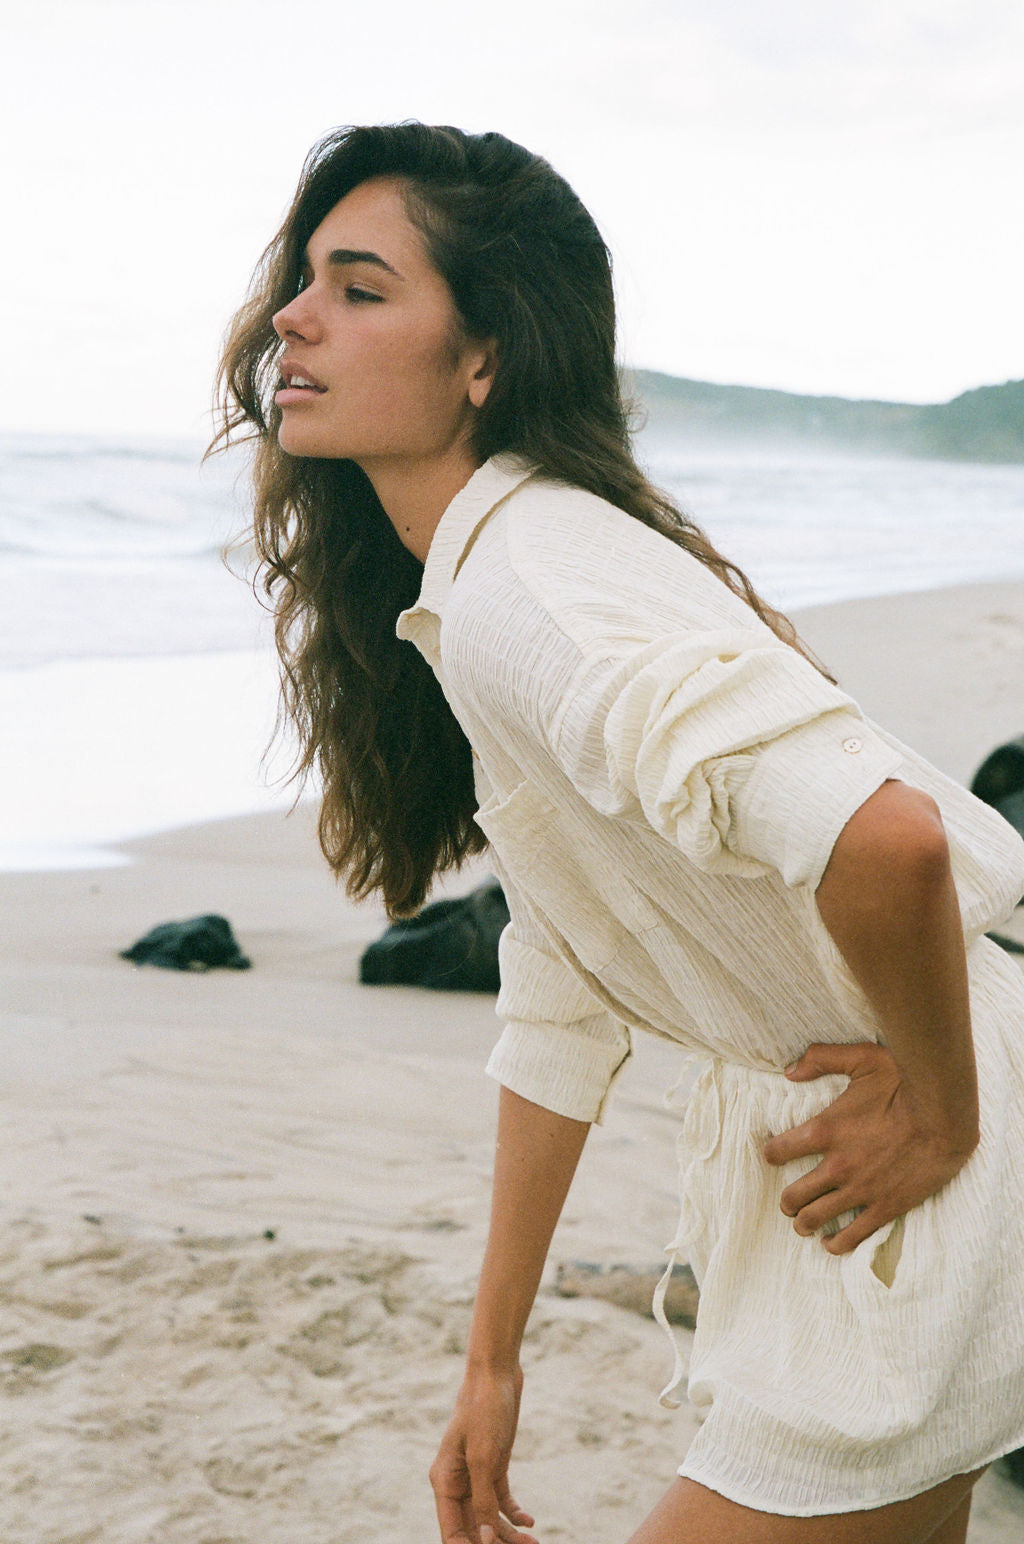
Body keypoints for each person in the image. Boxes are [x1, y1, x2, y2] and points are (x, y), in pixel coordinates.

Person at [211, 121, 1024, 1543]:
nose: (294, 314)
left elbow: (886, 840)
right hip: (894, 1152)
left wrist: (943, 1111)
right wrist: (492, 1357)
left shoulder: (530, 589)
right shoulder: (497, 576)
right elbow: (560, 993)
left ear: (484, 360)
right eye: (306, 278)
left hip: (915, 1163)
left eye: (359, 286)